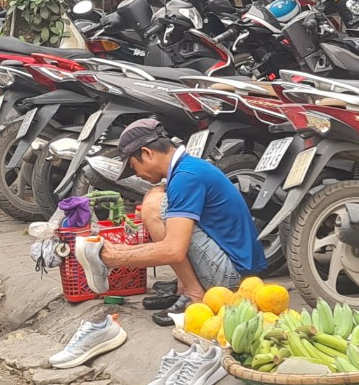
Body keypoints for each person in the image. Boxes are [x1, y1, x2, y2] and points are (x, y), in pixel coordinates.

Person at [75, 118, 267, 325]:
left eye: (133, 166)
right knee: (155, 196)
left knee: (155, 207)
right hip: (239, 268)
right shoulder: (189, 167)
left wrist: (115, 257)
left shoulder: (186, 177)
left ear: (147, 153)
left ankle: (195, 294)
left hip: (230, 279)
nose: (137, 174)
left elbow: (173, 250)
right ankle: (185, 287)